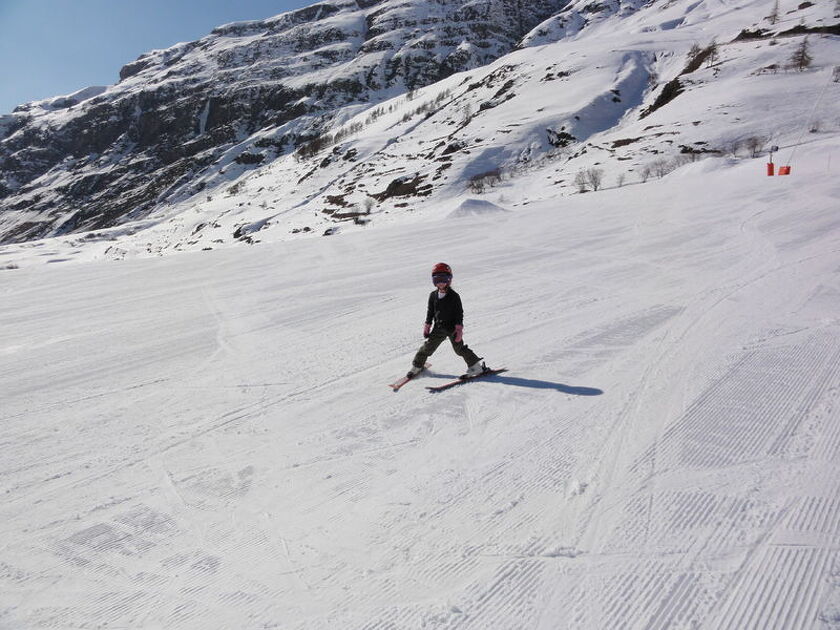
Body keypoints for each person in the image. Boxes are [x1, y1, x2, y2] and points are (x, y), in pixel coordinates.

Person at [407, 262, 488, 378]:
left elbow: (459, 313)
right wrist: (427, 325)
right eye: (437, 279)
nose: (440, 282)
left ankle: (476, 367)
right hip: (438, 328)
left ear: (449, 280)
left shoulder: (454, 296)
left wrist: (459, 329)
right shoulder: (433, 295)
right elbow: (430, 312)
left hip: (452, 329)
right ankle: (417, 366)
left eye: (443, 279)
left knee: (459, 349)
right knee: (427, 348)